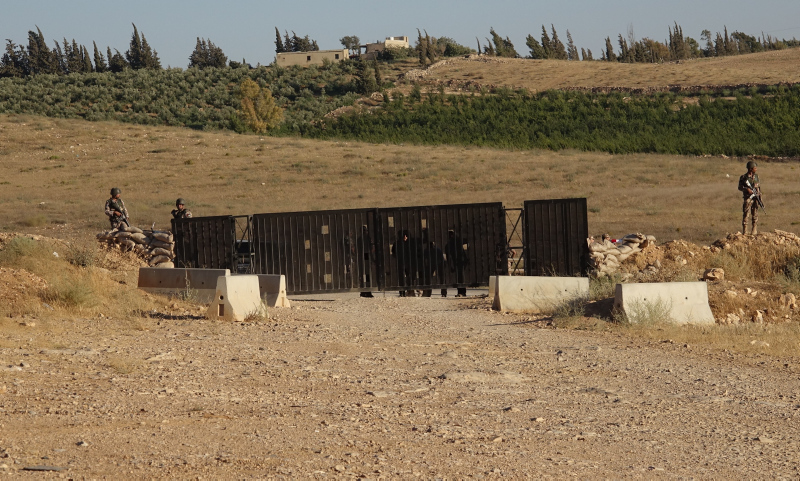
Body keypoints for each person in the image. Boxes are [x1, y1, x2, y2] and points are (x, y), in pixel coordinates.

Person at [738, 161, 761, 235]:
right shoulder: (743, 177)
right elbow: (740, 187)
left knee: (755, 214)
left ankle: (754, 229)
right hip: (748, 198)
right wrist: (747, 189)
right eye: (755, 168)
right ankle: (745, 231)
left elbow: (758, 187)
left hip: (755, 197)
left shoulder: (756, 176)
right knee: (746, 214)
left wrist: (759, 196)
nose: (756, 169)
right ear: (750, 169)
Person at [445, 229, 469, 297]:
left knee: (459, 277)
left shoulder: (451, 243)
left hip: (458, 261)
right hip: (460, 260)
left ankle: (461, 292)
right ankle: (462, 292)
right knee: (461, 277)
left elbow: (448, 256)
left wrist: (450, 265)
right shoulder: (456, 242)